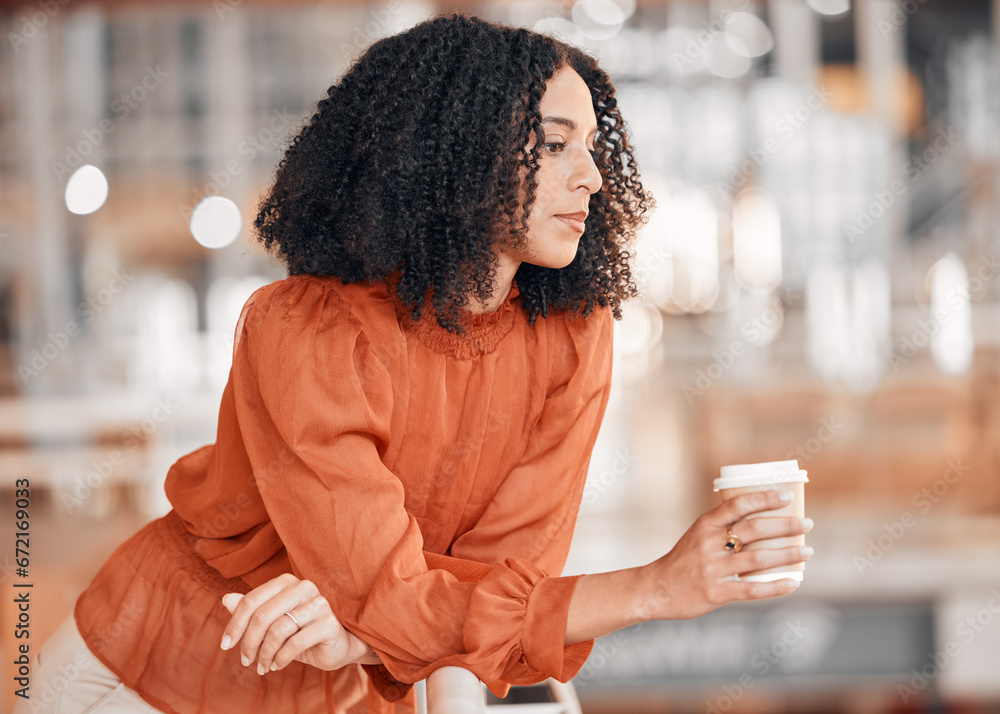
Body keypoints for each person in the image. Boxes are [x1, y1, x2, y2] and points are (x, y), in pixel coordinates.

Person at [18, 13, 812, 714]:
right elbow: (394, 595)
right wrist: (658, 587)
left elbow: (499, 584)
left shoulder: (573, 332)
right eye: (556, 145)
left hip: (360, 681)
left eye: (593, 148)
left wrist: (372, 627)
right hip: (159, 669)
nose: (593, 177)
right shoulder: (310, 332)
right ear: (460, 152)